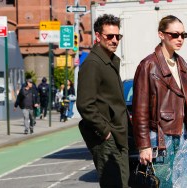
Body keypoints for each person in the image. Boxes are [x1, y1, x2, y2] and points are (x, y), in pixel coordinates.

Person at [132, 15, 187, 187]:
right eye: (174, 34)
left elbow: (186, 106)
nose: (179, 39)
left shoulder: (181, 63)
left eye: (183, 35)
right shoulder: (148, 65)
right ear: (161, 35)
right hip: (159, 138)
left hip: (182, 135)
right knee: (163, 184)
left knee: (184, 184)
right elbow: (139, 110)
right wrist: (143, 145)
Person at [77, 14, 130, 188]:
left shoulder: (110, 61)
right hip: (107, 138)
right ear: (98, 37)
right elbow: (85, 104)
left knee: (122, 182)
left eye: (118, 36)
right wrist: (105, 132)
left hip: (118, 134)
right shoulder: (93, 64)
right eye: (109, 36)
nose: (114, 40)